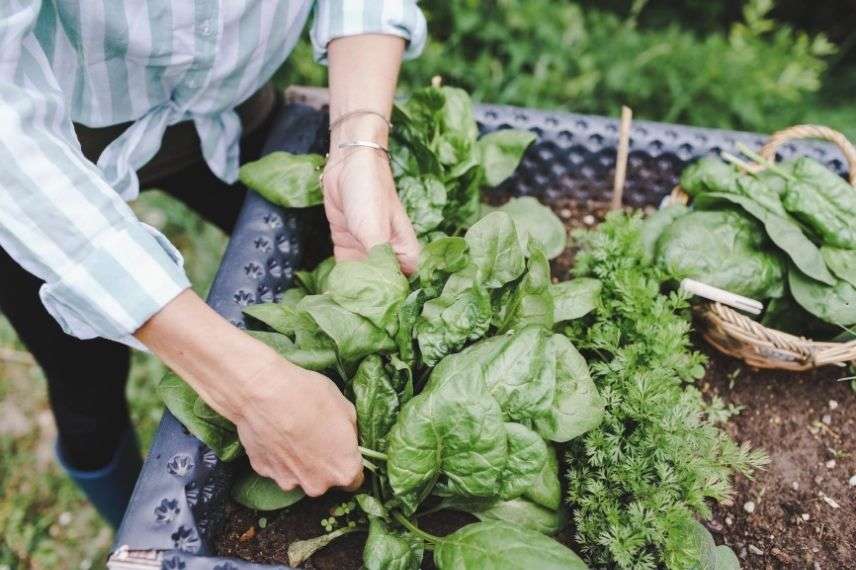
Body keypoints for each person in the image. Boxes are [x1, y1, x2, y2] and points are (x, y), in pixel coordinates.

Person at [0, 1, 425, 528]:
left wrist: (358, 143)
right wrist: (248, 387)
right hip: (45, 148)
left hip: (226, 105)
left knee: (334, 271)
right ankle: (131, 529)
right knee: (83, 382)